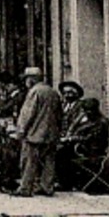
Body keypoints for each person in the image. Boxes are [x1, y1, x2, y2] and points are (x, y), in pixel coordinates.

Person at [15, 67, 63, 197]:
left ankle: (25, 188)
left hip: (34, 133)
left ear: (31, 80)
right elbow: (59, 114)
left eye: (26, 79)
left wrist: (20, 130)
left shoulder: (34, 92)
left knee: (29, 161)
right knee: (49, 161)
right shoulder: (53, 92)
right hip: (51, 133)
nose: (26, 82)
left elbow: (27, 114)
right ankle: (47, 187)